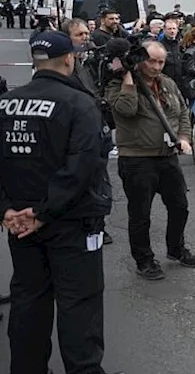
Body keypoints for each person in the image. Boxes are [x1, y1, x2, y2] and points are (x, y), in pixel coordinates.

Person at [0, 32, 112, 374]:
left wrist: (7, 209)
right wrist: (44, 212)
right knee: (79, 305)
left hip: (20, 224)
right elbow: (82, 167)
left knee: (28, 300)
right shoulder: (79, 104)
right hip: (71, 223)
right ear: (69, 59)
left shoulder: (5, 103)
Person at [105, 41, 195, 281]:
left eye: (161, 62)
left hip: (167, 158)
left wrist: (183, 137)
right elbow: (126, 110)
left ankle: (176, 248)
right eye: (152, 61)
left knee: (179, 206)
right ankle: (144, 259)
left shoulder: (166, 83)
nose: (157, 67)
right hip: (136, 160)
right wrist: (128, 77)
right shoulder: (118, 85)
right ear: (139, 60)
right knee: (140, 215)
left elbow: (181, 112)